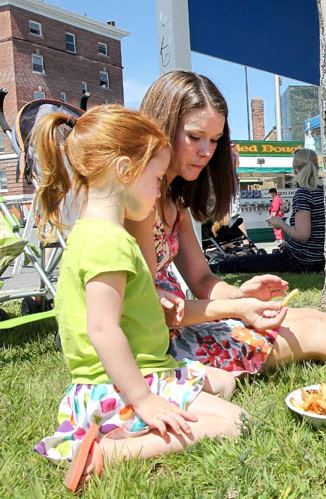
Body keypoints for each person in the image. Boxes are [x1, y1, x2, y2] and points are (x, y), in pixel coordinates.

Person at [132, 70, 326, 378]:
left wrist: (241, 296)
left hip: (184, 323)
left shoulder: (175, 199)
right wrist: (236, 308)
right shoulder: (139, 202)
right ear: (163, 127)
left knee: (311, 316)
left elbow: (202, 279)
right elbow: (151, 309)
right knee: (309, 331)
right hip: (161, 344)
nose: (206, 152)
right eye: (195, 137)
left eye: (214, 140)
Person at [32, 105, 244, 490]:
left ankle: (125, 427)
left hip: (144, 370)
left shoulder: (94, 232)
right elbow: (102, 329)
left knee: (225, 383)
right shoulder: (107, 241)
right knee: (234, 422)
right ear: (126, 170)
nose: (160, 188)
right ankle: (106, 453)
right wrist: (145, 400)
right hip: (120, 386)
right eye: (157, 177)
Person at [212, 148, 324, 273]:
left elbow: (302, 235)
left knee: (242, 262)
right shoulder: (324, 192)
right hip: (319, 259)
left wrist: (281, 224)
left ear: (295, 169)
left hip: (302, 260)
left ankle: (209, 270)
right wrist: (290, 244)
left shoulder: (304, 194)